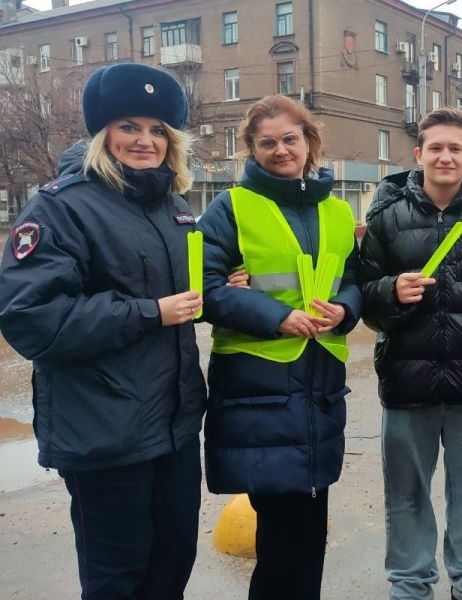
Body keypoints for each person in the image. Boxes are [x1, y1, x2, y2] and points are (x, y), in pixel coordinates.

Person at [0, 63, 206, 600]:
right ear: (102, 134)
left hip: (173, 429)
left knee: (171, 566)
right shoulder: (59, 206)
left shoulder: (174, 207)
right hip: (106, 433)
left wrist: (214, 282)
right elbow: (31, 317)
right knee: (118, 578)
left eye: (158, 129)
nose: (145, 140)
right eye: (129, 126)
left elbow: (173, 294)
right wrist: (149, 312)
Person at [359, 107, 462, 600]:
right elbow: (363, 292)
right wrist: (390, 290)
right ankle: (410, 585)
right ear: (419, 154)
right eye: (436, 147)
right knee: (406, 494)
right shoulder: (386, 219)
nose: (445, 156)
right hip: (407, 383)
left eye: (455, 148)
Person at [199, 94, 361, 600]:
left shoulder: (337, 211)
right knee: (280, 538)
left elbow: (354, 277)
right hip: (260, 392)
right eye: (266, 142)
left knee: (310, 533)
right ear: (250, 149)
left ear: (310, 142)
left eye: (290, 138)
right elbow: (202, 287)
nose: (280, 150)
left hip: (319, 390)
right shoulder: (232, 207)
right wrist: (276, 316)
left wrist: (345, 309)